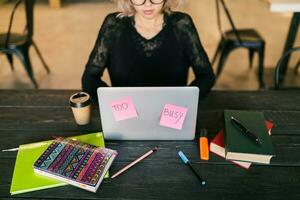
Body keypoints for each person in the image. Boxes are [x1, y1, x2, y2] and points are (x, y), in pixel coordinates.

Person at [82, 0, 215, 103]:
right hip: (126, 117)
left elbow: (206, 75)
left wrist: (184, 103)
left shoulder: (182, 24)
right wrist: (115, 105)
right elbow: (90, 78)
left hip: (173, 115)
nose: (147, 4)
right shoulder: (113, 25)